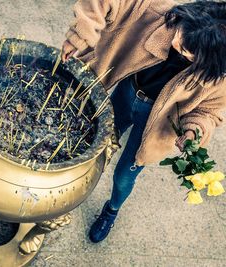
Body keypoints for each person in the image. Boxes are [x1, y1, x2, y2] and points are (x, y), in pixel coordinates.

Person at [61, 0, 226, 243]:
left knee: (124, 176)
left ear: (208, 60)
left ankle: (111, 211)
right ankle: (73, 188)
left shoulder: (218, 77)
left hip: (157, 124)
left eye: (187, 51)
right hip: (125, 93)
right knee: (93, 145)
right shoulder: (159, 12)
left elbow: (209, 112)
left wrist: (195, 131)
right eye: (182, 33)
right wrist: (80, 34)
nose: (175, 43)